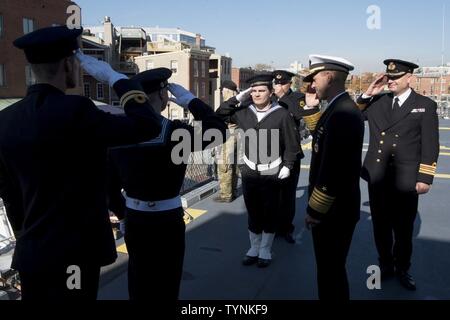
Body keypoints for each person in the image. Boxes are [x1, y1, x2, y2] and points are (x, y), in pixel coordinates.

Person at [0, 26, 162, 300]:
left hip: (32, 254)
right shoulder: (78, 110)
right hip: (74, 255)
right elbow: (147, 125)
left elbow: (10, 195)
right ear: (67, 64)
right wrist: (115, 78)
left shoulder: (5, 120)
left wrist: (29, 239)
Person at [107, 68, 227, 300]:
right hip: (167, 220)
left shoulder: (117, 131)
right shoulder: (175, 132)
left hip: (134, 218)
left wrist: (123, 215)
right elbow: (218, 132)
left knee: (138, 282)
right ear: (163, 95)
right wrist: (191, 101)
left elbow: (108, 184)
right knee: (167, 284)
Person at [356, 59, 440, 291]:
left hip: (406, 178)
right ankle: (385, 264)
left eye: (396, 77)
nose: (390, 81)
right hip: (378, 175)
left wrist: (425, 177)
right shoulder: (376, 102)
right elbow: (351, 116)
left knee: (403, 228)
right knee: (380, 226)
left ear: (409, 78)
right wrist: (367, 93)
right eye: (388, 77)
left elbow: (431, 145)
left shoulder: (424, 105)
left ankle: (403, 267)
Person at [217, 74, 300, 268]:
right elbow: (219, 113)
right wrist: (238, 98)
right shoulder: (244, 111)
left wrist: (288, 166)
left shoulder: (282, 114)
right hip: (249, 172)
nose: (256, 94)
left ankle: (265, 249)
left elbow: (292, 144)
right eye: (253, 91)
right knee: (253, 211)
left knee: (270, 211)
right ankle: (254, 247)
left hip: (271, 172)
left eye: (261, 90)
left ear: (271, 93)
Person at [303, 55, 364, 300]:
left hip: (333, 211)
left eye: (315, 79)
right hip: (336, 209)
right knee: (329, 270)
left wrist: (315, 210)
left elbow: (333, 169)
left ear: (328, 76)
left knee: (331, 271)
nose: (312, 85)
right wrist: (310, 108)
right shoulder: (338, 108)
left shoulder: (343, 113)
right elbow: (320, 137)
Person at [272, 70, 306, 243]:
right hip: (270, 152)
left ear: (289, 84)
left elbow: (299, 115)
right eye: (276, 83)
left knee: (287, 195)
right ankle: (272, 226)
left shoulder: (297, 98)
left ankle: (286, 228)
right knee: (271, 194)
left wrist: (282, 98)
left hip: (289, 153)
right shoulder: (270, 98)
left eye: (282, 83)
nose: (278, 86)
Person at [214, 80, 240, 203]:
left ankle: (226, 195)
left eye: (222, 90)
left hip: (228, 134)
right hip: (237, 134)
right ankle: (232, 192)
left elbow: (218, 115)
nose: (221, 93)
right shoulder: (239, 102)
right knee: (233, 165)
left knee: (224, 164)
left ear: (226, 90)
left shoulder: (230, 104)